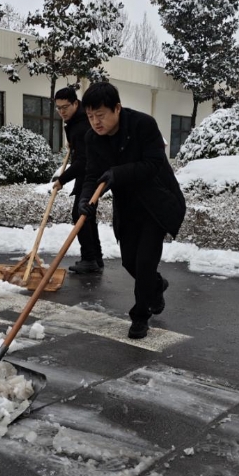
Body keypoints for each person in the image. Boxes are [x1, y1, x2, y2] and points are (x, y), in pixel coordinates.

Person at [78, 82, 186, 339]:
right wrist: (85, 199)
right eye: (90, 116)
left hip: (156, 203)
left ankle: (140, 315)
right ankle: (156, 285)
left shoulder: (143, 125)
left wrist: (117, 173)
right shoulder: (93, 139)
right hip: (127, 207)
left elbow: (152, 163)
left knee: (145, 263)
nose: (95, 122)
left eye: (100, 115)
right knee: (129, 262)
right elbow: (92, 175)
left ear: (117, 108)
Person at [51, 87, 103, 274]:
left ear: (75, 103)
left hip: (91, 172)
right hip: (91, 171)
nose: (62, 112)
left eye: (65, 107)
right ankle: (95, 257)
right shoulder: (77, 120)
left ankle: (89, 259)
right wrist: (73, 144)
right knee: (87, 215)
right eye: (58, 108)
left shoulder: (81, 125)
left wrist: (62, 179)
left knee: (79, 214)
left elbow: (82, 161)